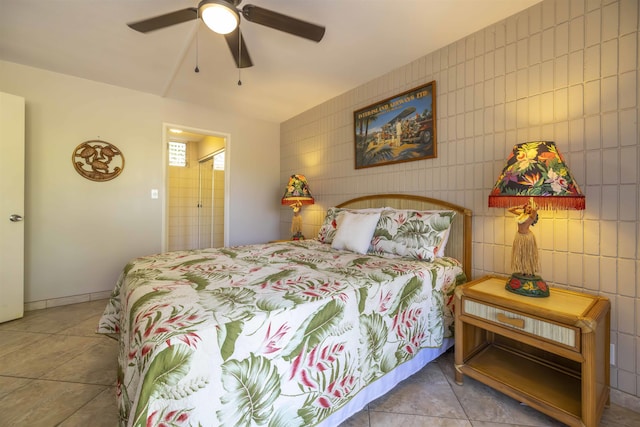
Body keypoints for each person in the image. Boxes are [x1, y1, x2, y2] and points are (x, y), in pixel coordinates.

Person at [508, 200, 539, 276]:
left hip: (527, 238)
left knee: (528, 255)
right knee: (521, 255)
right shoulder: (521, 214)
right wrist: (519, 206)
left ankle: (529, 271)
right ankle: (523, 270)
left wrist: (534, 206)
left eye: (530, 208)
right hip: (519, 237)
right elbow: (509, 210)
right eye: (528, 207)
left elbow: (535, 210)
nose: (529, 209)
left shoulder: (531, 216)